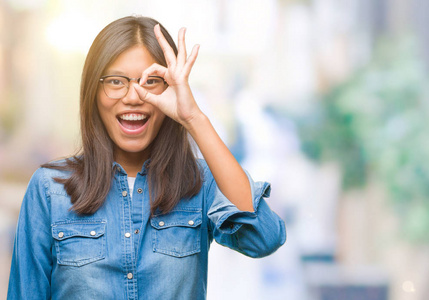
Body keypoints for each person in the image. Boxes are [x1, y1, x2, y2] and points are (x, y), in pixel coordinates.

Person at [7, 16, 286, 299]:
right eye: (116, 81)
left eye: (151, 81)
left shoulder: (200, 184)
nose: (133, 96)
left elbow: (264, 237)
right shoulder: (48, 189)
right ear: (93, 92)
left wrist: (194, 118)